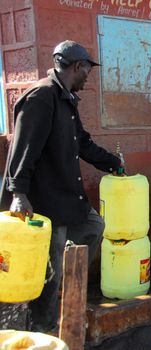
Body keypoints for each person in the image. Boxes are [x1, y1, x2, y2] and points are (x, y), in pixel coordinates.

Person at [0, 40, 124, 332]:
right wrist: (18, 193)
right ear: (77, 66)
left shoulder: (65, 98)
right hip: (44, 200)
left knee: (93, 227)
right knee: (49, 268)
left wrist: (112, 163)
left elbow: (81, 142)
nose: (87, 77)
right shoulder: (42, 97)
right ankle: (42, 328)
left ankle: (62, 288)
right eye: (87, 71)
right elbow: (22, 148)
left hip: (68, 196)